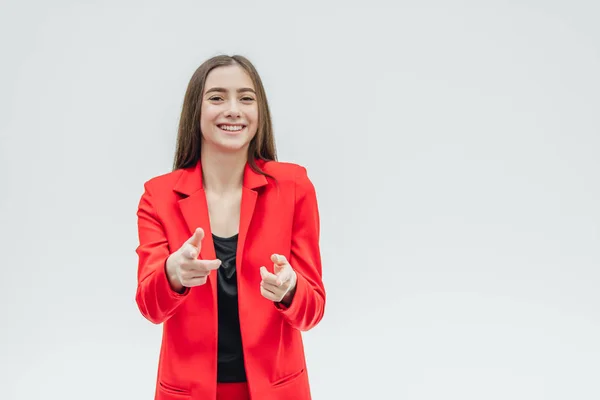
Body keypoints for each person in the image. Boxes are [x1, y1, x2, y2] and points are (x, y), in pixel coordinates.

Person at [135, 54, 326, 400]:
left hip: (278, 391)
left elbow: (312, 311)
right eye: (217, 97)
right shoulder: (157, 196)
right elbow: (150, 307)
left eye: (246, 98)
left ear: (260, 111)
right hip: (187, 393)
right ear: (196, 110)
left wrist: (291, 288)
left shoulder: (295, 187)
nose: (233, 109)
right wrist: (172, 273)